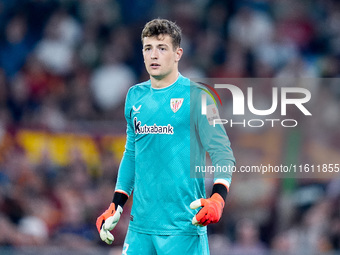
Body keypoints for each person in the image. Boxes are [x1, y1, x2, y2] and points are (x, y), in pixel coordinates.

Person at [96, 18, 235, 254]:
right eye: (148, 49)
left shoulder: (198, 97)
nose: (154, 55)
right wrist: (116, 204)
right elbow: (132, 154)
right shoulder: (134, 96)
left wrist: (217, 199)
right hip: (140, 229)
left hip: (183, 227)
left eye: (162, 48)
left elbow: (223, 153)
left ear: (178, 53)